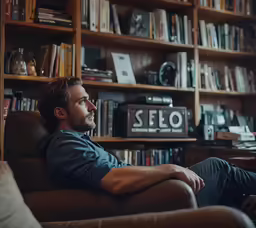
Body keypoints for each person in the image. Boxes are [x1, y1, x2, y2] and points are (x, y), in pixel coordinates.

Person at [38, 77, 256, 209]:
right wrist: (170, 169)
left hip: (154, 193)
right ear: (60, 112)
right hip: (153, 200)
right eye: (83, 102)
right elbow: (115, 181)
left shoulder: (77, 142)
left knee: (233, 191)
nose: (93, 107)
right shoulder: (65, 145)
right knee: (218, 168)